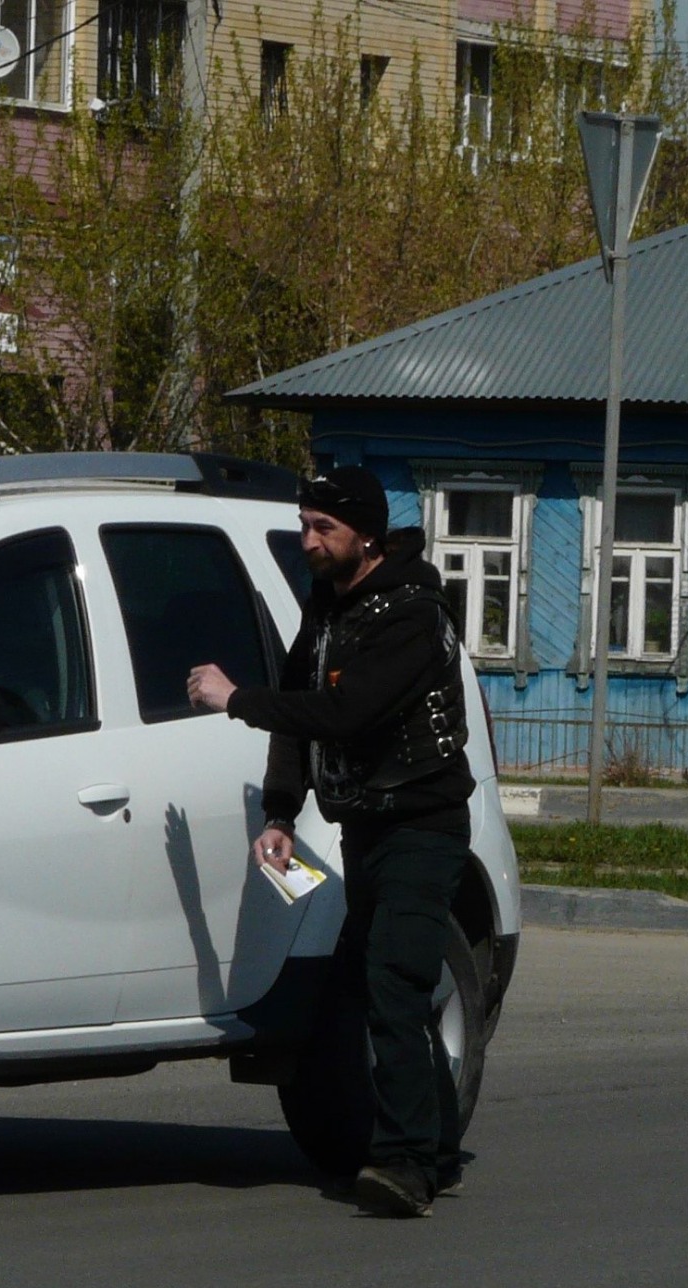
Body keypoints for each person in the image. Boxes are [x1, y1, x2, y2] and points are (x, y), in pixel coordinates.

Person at [185, 466, 475, 1219]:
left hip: (423, 827)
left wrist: (233, 699)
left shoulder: (410, 613)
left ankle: (406, 1166)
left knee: (393, 984)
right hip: (366, 827)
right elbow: (298, 710)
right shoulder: (329, 602)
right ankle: (436, 1148)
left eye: (325, 528)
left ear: (367, 535)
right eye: (305, 525)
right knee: (381, 991)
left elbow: (345, 712)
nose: (309, 540)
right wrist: (280, 812)